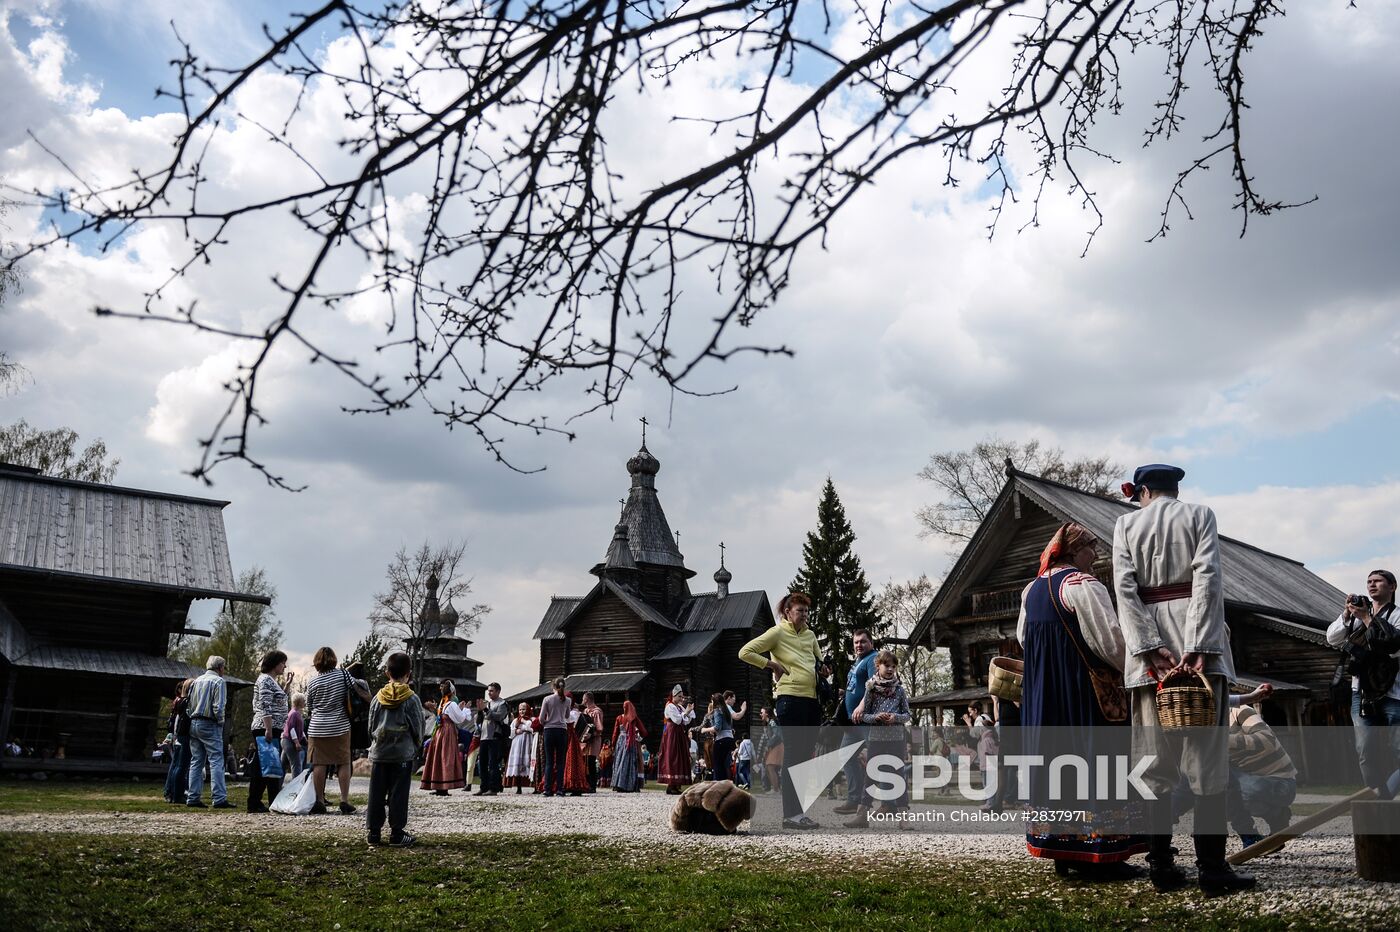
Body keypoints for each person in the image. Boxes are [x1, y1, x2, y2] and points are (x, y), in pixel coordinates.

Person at [1113, 463, 1253, 894]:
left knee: (1153, 761)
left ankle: (1161, 867)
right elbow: (1208, 576)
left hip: (1149, 652)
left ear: (1143, 492)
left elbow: (1124, 586)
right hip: (1198, 643)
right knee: (1207, 759)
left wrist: (1149, 647)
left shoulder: (1124, 523)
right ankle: (1212, 869)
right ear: (1174, 488)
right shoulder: (1200, 514)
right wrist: (1198, 645)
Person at [1018, 520, 1144, 876]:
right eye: (1092, 546)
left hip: (1045, 696)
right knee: (1095, 762)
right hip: (1081, 693)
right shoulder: (1083, 585)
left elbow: (1025, 641)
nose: (1097, 553)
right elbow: (1110, 642)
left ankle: (1062, 853)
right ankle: (1102, 857)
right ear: (1074, 551)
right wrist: (1131, 672)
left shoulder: (1031, 590)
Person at [739, 591, 829, 830]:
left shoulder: (810, 636)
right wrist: (771, 664)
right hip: (789, 700)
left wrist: (823, 671)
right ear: (788, 613)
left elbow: (818, 662)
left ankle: (798, 813)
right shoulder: (777, 633)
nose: (805, 615)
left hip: (812, 701)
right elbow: (745, 652)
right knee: (793, 756)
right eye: (800, 611)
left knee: (805, 758)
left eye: (807, 611)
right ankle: (791, 814)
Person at [1326, 569, 1400, 798]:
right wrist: (1347, 615)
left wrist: (1368, 617)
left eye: (1378, 581)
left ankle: (1383, 797)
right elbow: (1332, 638)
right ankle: (1382, 797)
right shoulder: (1355, 619)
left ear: (1392, 587)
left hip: (1394, 692)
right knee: (1365, 750)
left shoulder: (1397, 615)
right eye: (1369, 581)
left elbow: (1392, 645)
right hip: (1362, 693)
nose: (1372, 585)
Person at [847, 649, 912, 828]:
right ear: (878, 666)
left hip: (896, 738)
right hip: (876, 738)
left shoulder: (899, 690)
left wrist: (895, 718)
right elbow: (864, 716)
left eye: (893, 666)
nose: (890, 669)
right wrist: (876, 717)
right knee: (871, 774)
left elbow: (907, 714)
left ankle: (903, 818)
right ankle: (862, 816)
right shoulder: (871, 689)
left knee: (898, 775)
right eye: (886, 665)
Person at [366, 651, 424, 847]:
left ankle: (374, 832)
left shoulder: (377, 698)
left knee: (376, 792)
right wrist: (416, 746)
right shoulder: (411, 698)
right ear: (408, 674)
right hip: (401, 754)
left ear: (386, 673)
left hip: (380, 752)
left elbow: (371, 725)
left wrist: (375, 743)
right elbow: (418, 726)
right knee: (398, 794)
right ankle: (397, 833)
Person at [306, 646, 370, 814]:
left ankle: (319, 800)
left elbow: (309, 706)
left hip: (317, 726)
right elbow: (356, 688)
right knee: (343, 762)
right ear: (334, 659)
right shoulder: (342, 674)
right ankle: (344, 800)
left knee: (319, 763)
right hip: (340, 725)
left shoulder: (312, 681)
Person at [1226, 698, 1296, 847]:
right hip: (1251, 783)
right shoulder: (1198, 723)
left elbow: (1267, 740)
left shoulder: (1238, 710)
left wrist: (1222, 740)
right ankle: (1277, 816)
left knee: (1230, 790)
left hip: (1279, 782)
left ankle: (1274, 817)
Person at [833, 629, 876, 817]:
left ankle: (891, 803)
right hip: (852, 723)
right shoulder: (857, 661)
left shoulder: (873, 659)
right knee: (846, 756)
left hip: (867, 719)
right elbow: (857, 685)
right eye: (856, 642)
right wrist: (846, 693)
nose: (859, 645)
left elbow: (876, 684)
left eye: (863, 641)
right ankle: (854, 800)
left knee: (878, 760)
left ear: (871, 643)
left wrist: (860, 705)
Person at [185, 656, 232, 809]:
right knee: (216, 760)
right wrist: (220, 722)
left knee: (196, 761)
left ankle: (193, 797)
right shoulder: (219, 682)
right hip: (210, 723)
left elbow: (189, 705)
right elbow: (219, 706)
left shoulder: (196, 681)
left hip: (194, 722)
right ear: (220, 668)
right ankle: (219, 798)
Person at [248, 649, 290, 813]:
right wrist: (268, 729)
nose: (284, 666)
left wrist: (285, 688)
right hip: (265, 728)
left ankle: (269, 801)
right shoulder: (265, 680)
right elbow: (265, 705)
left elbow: (276, 702)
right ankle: (254, 802)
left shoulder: (270, 681)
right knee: (263, 767)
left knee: (268, 766)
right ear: (274, 663)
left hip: (270, 728)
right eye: (282, 663)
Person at [421, 679, 470, 795]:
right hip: (447, 731)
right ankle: (443, 786)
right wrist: (465, 709)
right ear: (453, 691)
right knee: (445, 756)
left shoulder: (443, 703)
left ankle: (439, 786)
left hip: (439, 731)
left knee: (439, 756)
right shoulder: (451, 703)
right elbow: (460, 719)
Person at [700, 691, 747, 783]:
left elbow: (717, 727)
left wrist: (705, 730)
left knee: (718, 765)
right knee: (725, 765)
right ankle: (726, 784)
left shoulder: (718, 710)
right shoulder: (726, 710)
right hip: (729, 739)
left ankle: (718, 784)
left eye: (712, 701)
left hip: (721, 740)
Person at [657, 685, 696, 794]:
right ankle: (671, 784)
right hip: (672, 733)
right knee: (673, 756)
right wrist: (686, 712)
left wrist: (688, 711)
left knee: (680, 757)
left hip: (679, 734)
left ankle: (676, 785)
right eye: (680, 697)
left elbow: (687, 721)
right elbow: (678, 720)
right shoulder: (670, 706)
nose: (682, 699)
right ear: (674, 696)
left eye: (682, 697)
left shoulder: (679, 707)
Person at [538, 677, 572, 796]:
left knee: (549, 761)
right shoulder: (567, 700)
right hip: (561, 730)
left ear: (553, 687)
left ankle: (547, 789)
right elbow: (567, 716)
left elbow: (541, 719)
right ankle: (560, 789)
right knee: (560, 762)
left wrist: (546, 722)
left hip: (549, 730)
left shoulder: (547, 699)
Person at [475, 682, 510, 796]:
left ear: (498, 691)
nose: (489, 693)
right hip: (484, 736)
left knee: (493, 764)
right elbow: (479, 721)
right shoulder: (487, 704)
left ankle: (493, 788)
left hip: (495, 737)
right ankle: (483, 787)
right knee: (482, 763)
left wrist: (485, 710)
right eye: (488, 691)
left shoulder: (503, 704)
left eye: (491, 691)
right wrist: (480, 711)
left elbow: (498, 717)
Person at [164, 678, 193, 804]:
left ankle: (170, 792)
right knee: (180, 765)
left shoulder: (178, 701)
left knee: (176, 765)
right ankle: (175, 793)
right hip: (181, 734)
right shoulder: (184, 702)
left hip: (177, 733)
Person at [505, 703, 537, 793]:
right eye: (520, 710)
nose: (521, 711)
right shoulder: (515, 720)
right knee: (518, 762)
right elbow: (510, 733)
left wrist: (524, 723)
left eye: (523, 709)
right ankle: (519, 787)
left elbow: (532, 728)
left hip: (529, 742)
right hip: (517, 744)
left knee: (531, 762)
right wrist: (516, 730)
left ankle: (535, 786)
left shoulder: (532, 719)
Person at [563, 699, 590, 795]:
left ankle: (568, 784)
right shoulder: (579, 714)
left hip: (568, 738)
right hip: (574, 739)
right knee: (575, 761)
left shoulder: (571, 714)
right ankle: (575, 784)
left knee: (568, 760)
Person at [346, 661, 372, 758]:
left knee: (346, 751)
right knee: (354, 749)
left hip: (348, 720)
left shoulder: (348, 682)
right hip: (361, 720)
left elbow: (343, 672)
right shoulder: (364, 684)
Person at [580, 692, 605, 792]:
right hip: (584, 741)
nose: (582, 701)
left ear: (586, 699)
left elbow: (599, 728)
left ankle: (592, 786)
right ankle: (585, 784)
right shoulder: (585, 711)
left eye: (583, 699)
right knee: (584, 762)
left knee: (590, 762)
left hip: (594, 740)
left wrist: (592, 734)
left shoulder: (597, 711)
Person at [282, 693, 308, 779]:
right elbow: (291, 728)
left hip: (287, 741)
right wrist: (296, 742)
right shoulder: (293, 713)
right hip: (289, 741)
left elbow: (299, 729)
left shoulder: (297, 713)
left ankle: (276, 787)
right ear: (299, 702)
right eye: (303, 701)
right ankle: (295, 789)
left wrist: (304, 738)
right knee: (296, 765)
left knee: (282, 765)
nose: (305, 702)